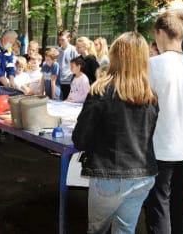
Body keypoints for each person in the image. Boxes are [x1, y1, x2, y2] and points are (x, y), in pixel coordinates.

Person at [72, 31, 158, 234]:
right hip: (143, 175)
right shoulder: (150, 96)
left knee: (96, 230)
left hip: (110, 176)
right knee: (125, 230)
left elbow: (80, 139)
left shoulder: (101, 91)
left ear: (115, 56)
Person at [144, 10, 183, 234]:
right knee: (177, 204)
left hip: (161, 147)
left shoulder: (154, 64)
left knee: (159, 207)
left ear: (159, 33)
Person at [58, 30, 78, 99]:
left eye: (63, 40)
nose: (61, 42)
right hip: (59, 81)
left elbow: (77, 66)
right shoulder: (58, 50)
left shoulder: (73, 50)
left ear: (69, 39)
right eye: (59, 40)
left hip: (69, 81)